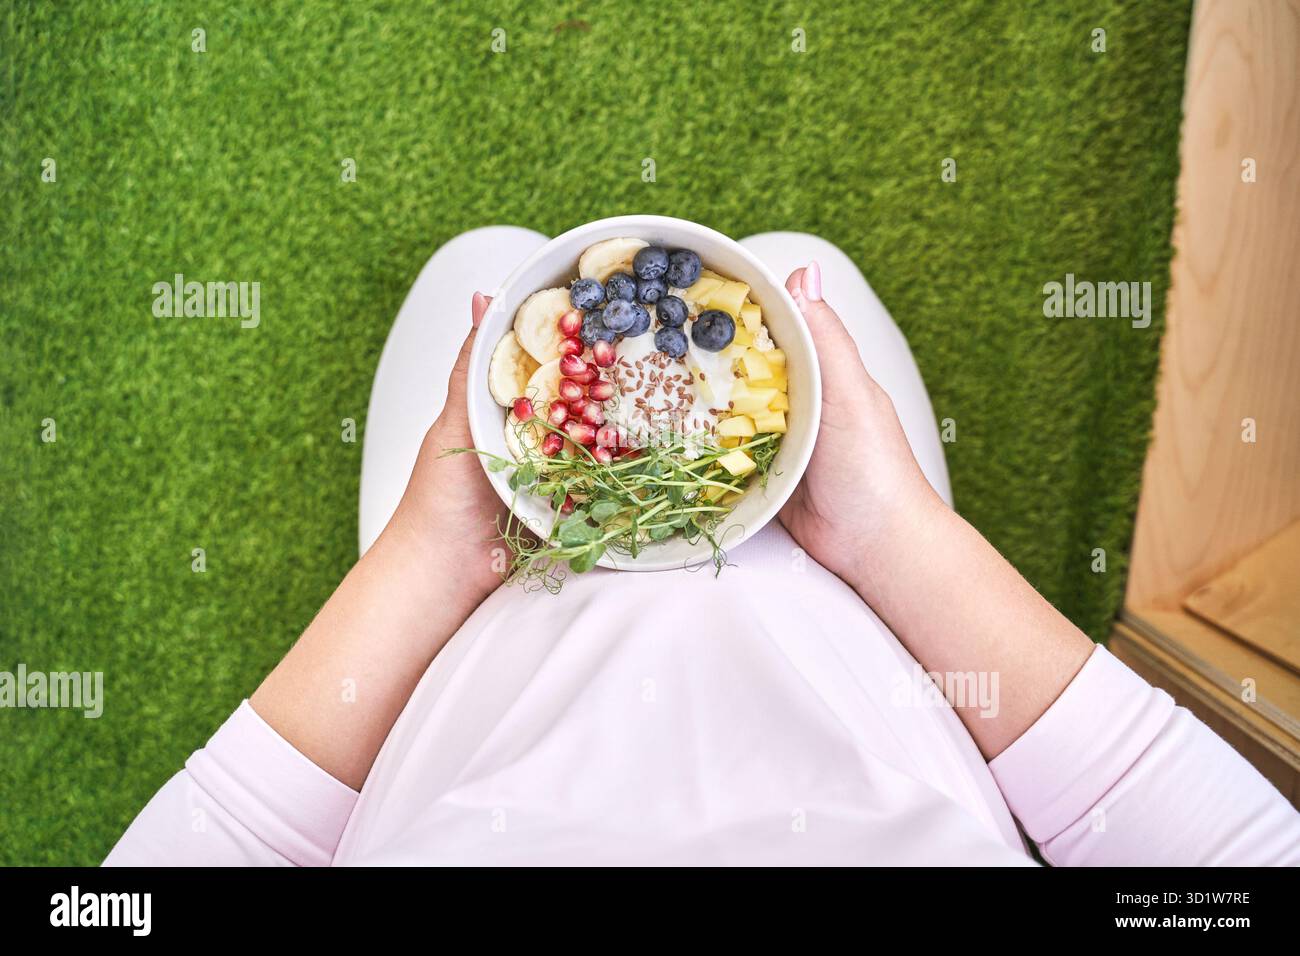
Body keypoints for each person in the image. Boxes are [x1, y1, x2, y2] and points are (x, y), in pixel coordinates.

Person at [105, 228, 1300, 866]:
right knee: (788, 255)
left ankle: (432, 609)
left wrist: (424, 557)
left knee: (486, 262)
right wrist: (895, 537)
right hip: (858, 602)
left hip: (489, 589)